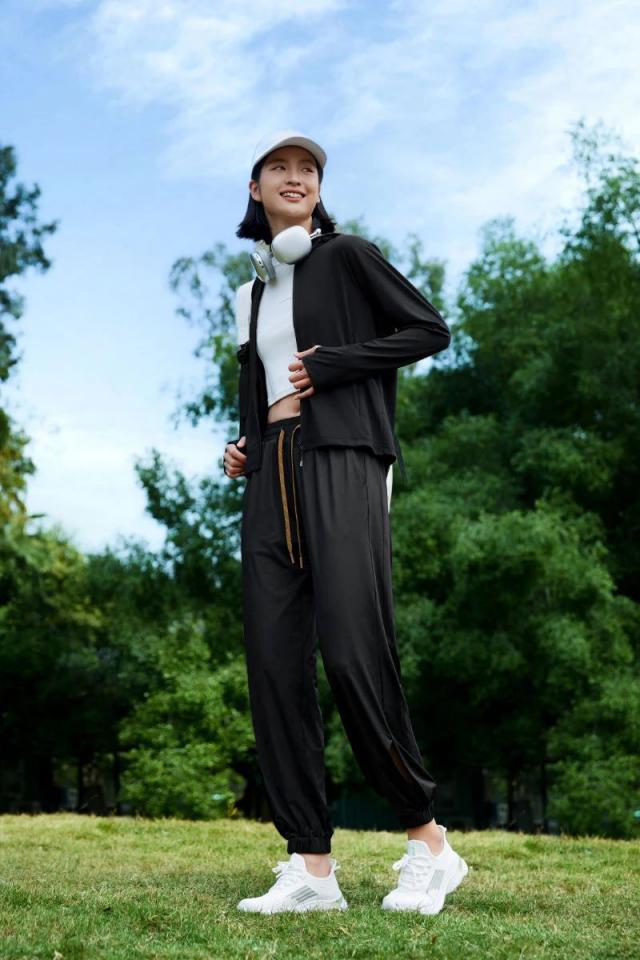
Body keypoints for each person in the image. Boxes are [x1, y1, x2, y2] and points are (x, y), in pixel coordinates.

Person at [223, 130, 469, 915]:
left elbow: (429, 329)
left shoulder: (349, 256)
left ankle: (429, 841)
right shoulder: (252, 291)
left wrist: (334, 365)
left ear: (320, 189)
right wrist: (245, 444)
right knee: (274, 665)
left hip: (343, 456)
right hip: (272, 471)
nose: (296, 177)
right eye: (279, 168)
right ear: (256, 187)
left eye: (309, 169)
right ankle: (312, 867)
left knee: (354, 651)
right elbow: (261, 383)